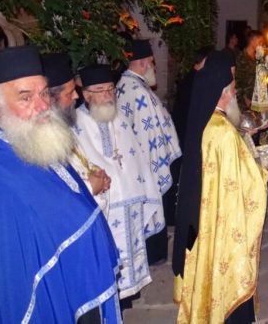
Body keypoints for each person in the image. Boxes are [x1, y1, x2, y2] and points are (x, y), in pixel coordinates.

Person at [0, 46, 120, 323]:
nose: (44, 105)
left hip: (77, 284)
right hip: (49, 299)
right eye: (26, 97)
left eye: (44, 93)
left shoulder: (33, 141)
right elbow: (5, 274)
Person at [172, 51, 268, 323]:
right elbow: (245, 183)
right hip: (219, 221)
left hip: (199, 215)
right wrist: (261, 170)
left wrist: (243, 139)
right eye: (234, 88)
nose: (236, 92)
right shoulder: (223, 133)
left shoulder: (203, 120)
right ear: (224, 93)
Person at [74, 64, 165, 305]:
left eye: (111, 89)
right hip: (104, 205)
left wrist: (145, 189)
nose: (108, 95)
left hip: (130, 202)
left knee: (132, 258)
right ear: (86, 94)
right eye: (101, 90)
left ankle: (128, 298)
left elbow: (136, 156)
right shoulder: (76, 124)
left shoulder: (120, 118)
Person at [117, 39, 181, 264]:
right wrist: (160, 159)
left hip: (135, 159)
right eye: (152, 62)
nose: (154, 67)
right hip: (149, 159)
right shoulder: (138, 91)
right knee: (154, 201)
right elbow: (150, 132)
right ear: (143, 63)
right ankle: (154, 253)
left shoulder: (124, 84)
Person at [42, 52, 111, 213]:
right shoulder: (41, 140)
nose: (76, 95)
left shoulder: (60, 127)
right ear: (51, 99)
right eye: (69, 92)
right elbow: (51, 197)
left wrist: (97, 173)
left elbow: (79, 161)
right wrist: (90, 186)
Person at [168, 46, 212, 225]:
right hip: (185, 133)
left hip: (184, 131)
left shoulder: (193, 77)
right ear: (204, 61)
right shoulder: (194, 81)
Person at [236, 29, 264, 111]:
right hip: (245, 99)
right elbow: (237, 80)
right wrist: (245, 98)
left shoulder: (257, 57)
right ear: (252, 41)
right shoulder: (241, 57)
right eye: (260, 42)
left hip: (256, 96)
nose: (261, 44)